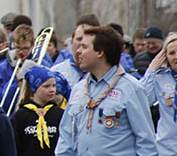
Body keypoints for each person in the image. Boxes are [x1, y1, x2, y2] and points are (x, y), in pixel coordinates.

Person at [55, 26, 158, 155]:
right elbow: (66, 139)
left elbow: (146, 143)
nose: (78, 51)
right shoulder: (78, 89)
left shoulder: (131, 88)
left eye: (84, 47)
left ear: (100, 52)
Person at [10, 65, 63, 155]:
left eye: (54, 86)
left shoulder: (60, 114)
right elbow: (14, 145)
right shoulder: (21, 115)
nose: (52, 90)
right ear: (34, 88)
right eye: (46, 86)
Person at [140, 32, 177, 156]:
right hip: (166, 148)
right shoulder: (160, 77)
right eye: (171, 53)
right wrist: (151, 70)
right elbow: (142, 99)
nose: (176, 56)